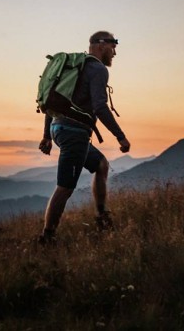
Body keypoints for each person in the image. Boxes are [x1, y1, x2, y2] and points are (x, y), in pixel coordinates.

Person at [37, 31, 130, 245]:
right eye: (112, 47)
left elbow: (55, 101)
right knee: (65, 187)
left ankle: (101, 216)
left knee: (100, 164)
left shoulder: (76, 68)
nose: (114, 53)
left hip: (60, 128)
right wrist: (120, 136)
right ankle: (47, 237)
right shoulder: (97, 69)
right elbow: (99, 106)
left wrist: (47, 136)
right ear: (100, 45)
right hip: (74, 133)